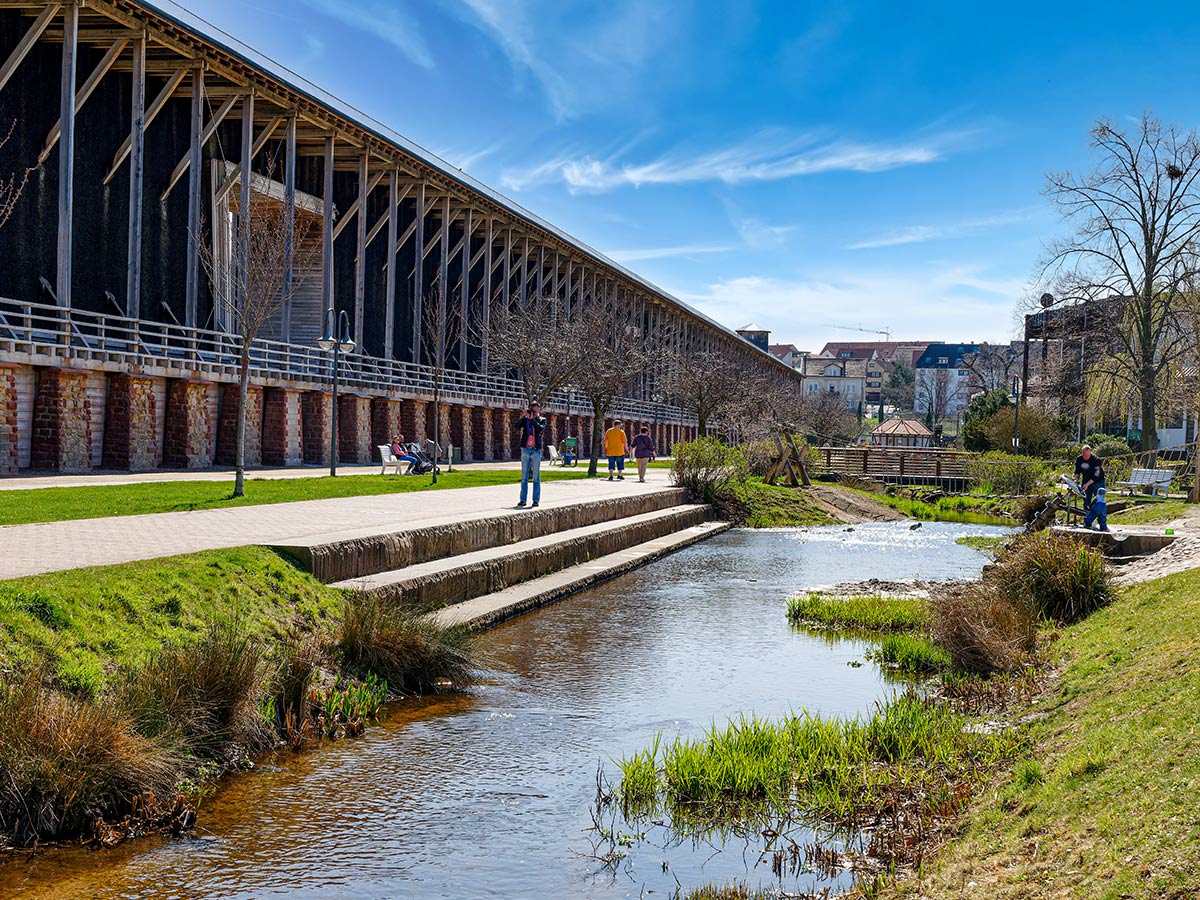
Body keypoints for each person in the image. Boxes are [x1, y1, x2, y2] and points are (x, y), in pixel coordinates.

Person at [515, 402, 546, 507]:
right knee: (524, 476)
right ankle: (522, 499)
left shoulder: (542, 420)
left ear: (539, 409)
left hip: (536, 450)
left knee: (536, 477)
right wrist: (523, 417)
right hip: (526, 450)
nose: (533, 411)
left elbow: (540, 429)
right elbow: (517, 426)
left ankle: (535, 500)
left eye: (535, 409)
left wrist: (532, 419)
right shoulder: (525, 420)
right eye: (532, 409)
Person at [1074, 444, 1106, 510]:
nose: (1085, 457)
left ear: (1090, 452)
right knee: (1086, 501)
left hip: (1098, 482)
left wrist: (1087, 484)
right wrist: (1076, 480)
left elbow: (1095, 476)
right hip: (1085, 480)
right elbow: (1077, 471)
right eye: (1084, 455)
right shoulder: (1079, 459)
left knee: (1099, 500)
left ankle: (1099, 517)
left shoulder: (1096, 460)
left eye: (1087, 455)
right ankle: (1087, 517)